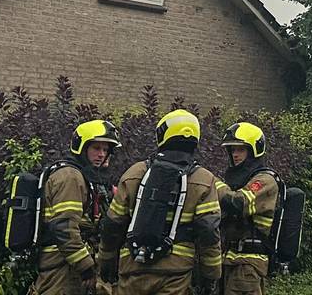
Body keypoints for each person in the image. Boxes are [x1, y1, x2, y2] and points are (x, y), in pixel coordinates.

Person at [99, 109, 222, 295]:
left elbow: (112, 224)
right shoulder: (204, 179)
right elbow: (209, 232)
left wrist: (106, 262)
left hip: (133, 267)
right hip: (176, 272)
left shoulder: (135, 173)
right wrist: (210, 276)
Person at [30, 119, 122, 295]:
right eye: (96, 148)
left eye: (105, 150)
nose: (101, 154)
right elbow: (64, 229)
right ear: (81, 147)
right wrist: (86, 267)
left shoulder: (84, 177)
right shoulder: (70, 177)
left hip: (69, 266)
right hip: (61, 268)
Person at [215, 122, 278, 295]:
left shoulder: (265, 180)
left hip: (248, 265)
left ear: (253, 150)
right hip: (231, 260)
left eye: (241, 150)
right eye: (232, 150)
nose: (235, 155)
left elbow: (239, 203)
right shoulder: (239, 181)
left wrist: (211, 183)